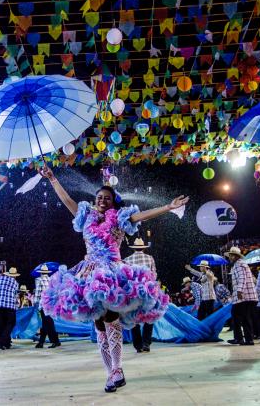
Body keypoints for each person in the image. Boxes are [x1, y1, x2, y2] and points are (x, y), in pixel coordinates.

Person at [38, 165, 183, 393]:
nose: (102, 200)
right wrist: (53, 179)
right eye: (99, 197)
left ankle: (117, 368)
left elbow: (142, 215)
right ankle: (111, 374)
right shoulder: (85, 216)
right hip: (88, 272)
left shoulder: (120, 218)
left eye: (107, 198)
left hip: (113, 272)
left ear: (113, 201)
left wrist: (168, 207)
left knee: (110, 319)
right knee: (99, 324)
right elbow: (67, 200)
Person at [124, 237, 157, 353]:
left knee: (134, 318)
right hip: (148, 292)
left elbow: (125, 277)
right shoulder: (150, 258)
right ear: (143, 248)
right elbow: (154, 275)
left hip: (133, 292)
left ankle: (138, 345)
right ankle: (146, 343)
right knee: (149, 317)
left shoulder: (127, 260)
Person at [227, 247, 257, 346]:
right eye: (230, 255)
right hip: (242, 296)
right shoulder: (237, 264)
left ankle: (248, 339)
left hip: (245, 296)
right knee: (237, 316)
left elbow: (242, 278)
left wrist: (240, 290)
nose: (230, 257)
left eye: (231, 255)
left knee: (244, 317)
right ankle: (239, 338)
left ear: (236, 256)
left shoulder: (240, 264)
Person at [34, 265, 60, 349]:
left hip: (43, 305)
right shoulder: (51, 280)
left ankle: (55, 341)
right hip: (50, 304)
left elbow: (38, 293)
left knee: (48, 323)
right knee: (46, 323)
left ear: (41, 273)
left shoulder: (39, 280)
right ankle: (41, 342)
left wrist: (35, 303)